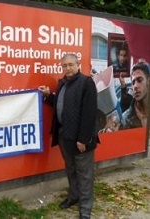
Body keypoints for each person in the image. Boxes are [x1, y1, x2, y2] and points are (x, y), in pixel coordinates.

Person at [38, 54, 99, 219]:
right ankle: (74, 197)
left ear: (78, 65)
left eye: (71, 64)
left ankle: (85, 209)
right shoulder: (62, 83)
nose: (67, 68)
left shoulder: (86, 83)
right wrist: (48, 95)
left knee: (84, 174)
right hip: (65, 136)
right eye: (64, 65)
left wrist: (83, 139)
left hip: (81, 139)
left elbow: (89, 113)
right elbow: (61, 103)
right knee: (71, 169)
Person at [121, 62, 149, 129]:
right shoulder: (124, 119)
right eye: (133, 82)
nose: (135, 86)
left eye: (139, 80)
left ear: (148, 81)